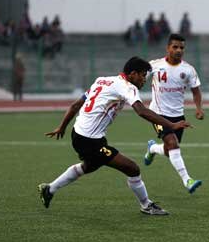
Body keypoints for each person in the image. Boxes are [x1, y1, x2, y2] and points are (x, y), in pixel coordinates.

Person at [38, 57, 191, 215]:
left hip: (79, 134)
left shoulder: (102, 80)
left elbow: (76, 105)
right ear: (132, 74)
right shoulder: (127, 87)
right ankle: (146, 205)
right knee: (132, 168)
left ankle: (49, 189)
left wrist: (62, 127)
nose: (144, 79)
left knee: (88, 166)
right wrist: (171, 125)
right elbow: (142, 111)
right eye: (143, 75)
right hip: (90, 141)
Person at [144, 34, 204, 194]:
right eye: (175, 47)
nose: (179, 50)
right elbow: (139, 79)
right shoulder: (154, 65)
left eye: (182, 48)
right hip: (157, 114)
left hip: (178, 116)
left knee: (170, 149)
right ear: (168, 48)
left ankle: (153, 149)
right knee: (173, 144)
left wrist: (198, 108)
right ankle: (188, 180)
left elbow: (196, 91)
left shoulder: (188, 70)